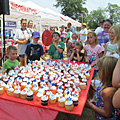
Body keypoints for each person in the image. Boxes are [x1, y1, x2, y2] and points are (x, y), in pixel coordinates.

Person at [86, 55, 118, 119]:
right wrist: (95, 102)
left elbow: (107, 113)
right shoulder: (111, 86)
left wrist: (91, 106)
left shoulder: (106, 92)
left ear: (106, 73)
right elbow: (105, 102)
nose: (98, 73)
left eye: (99, 71)